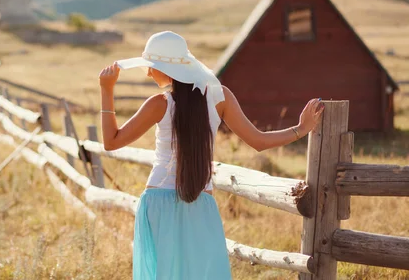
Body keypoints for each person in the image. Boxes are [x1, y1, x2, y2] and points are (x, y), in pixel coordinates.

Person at [98, 31, 324, 280]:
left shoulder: (159, 104)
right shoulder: (220, 97)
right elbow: (258, 141)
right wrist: (300, 129)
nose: (149, 73)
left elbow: (111, 141)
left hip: (158, 203)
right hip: (200, 205)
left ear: (170, 69)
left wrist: (106, 90)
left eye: (153, 67)